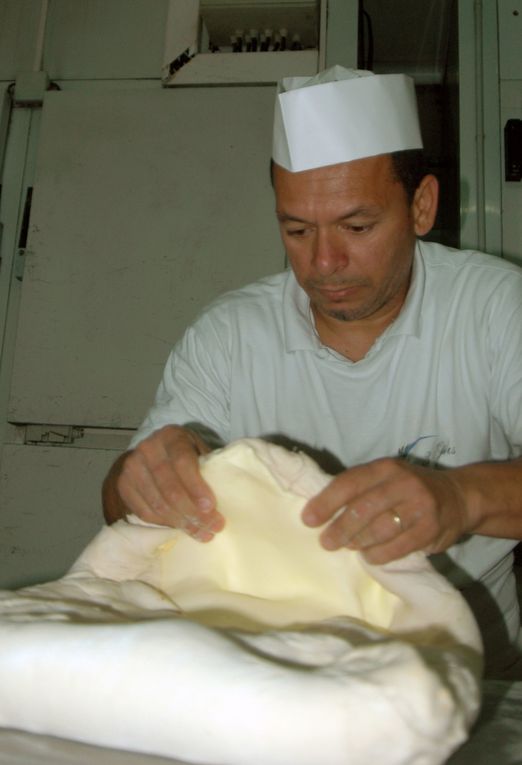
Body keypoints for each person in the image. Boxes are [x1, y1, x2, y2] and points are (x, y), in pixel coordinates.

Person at [102, 67, 522, 678]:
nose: (324, 263)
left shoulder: (496, 309)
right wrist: (138, 479)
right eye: (297, 231)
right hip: (273, 665)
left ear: (422, 206)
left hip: (468, 665)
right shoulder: (230, 335)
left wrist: (462, 497)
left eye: (357, 227)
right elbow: (118, 500)